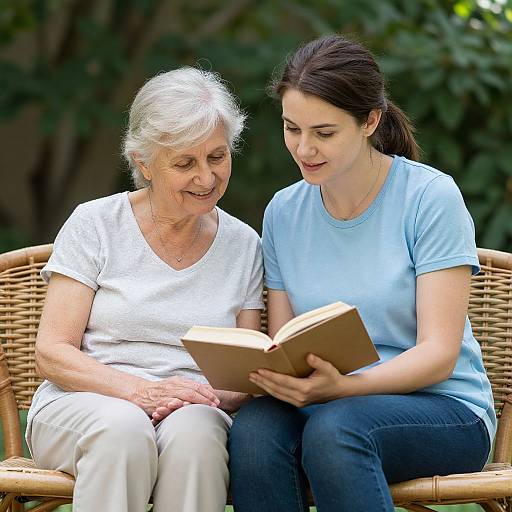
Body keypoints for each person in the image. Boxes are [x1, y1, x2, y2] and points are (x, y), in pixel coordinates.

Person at [228, 34, 495, 512]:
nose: (304, 149)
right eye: (292, 129)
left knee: (338, 430)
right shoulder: (284, 212)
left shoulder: (430, 199)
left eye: (324, 133)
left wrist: (345, 388)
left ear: (370, 121)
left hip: (443, 408)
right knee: (254, 432)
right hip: (327, 400)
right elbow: (286, 341)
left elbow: (438, 355)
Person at [27, 67, 264, 512]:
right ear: (144, 164)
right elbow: (53, 352)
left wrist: (202, 395)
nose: (207, 178)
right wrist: (141, 392)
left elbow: (243, 374)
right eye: (185, 163)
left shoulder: (244, 244)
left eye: (217, 157)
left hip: (194, 407)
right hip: (86, 403)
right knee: (123, 431)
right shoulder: (95, 224)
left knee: (198, 437)